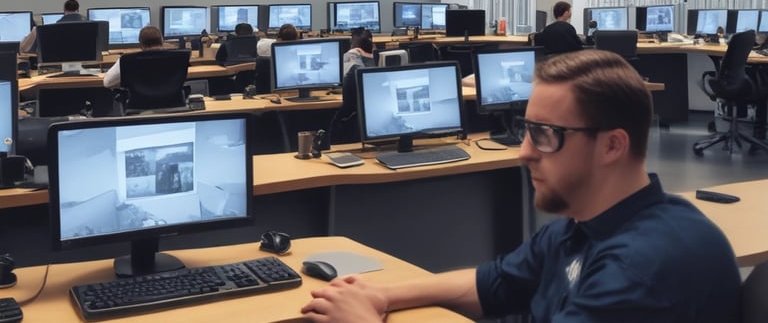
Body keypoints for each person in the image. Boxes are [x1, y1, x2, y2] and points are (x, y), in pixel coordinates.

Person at [301, 50, 741, 323]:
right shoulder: (585, 225)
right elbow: (490, 285)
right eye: (525, 130)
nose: (524, 152)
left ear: (612, 146)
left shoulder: (640, 272)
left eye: (545, 135)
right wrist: (375, 295)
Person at [20, 0, 86, 53]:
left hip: (56, 66)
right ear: (78, 10)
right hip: (88, 66)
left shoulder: (45, 30)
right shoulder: (92, 28)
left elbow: (24, 50)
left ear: (64, 11)